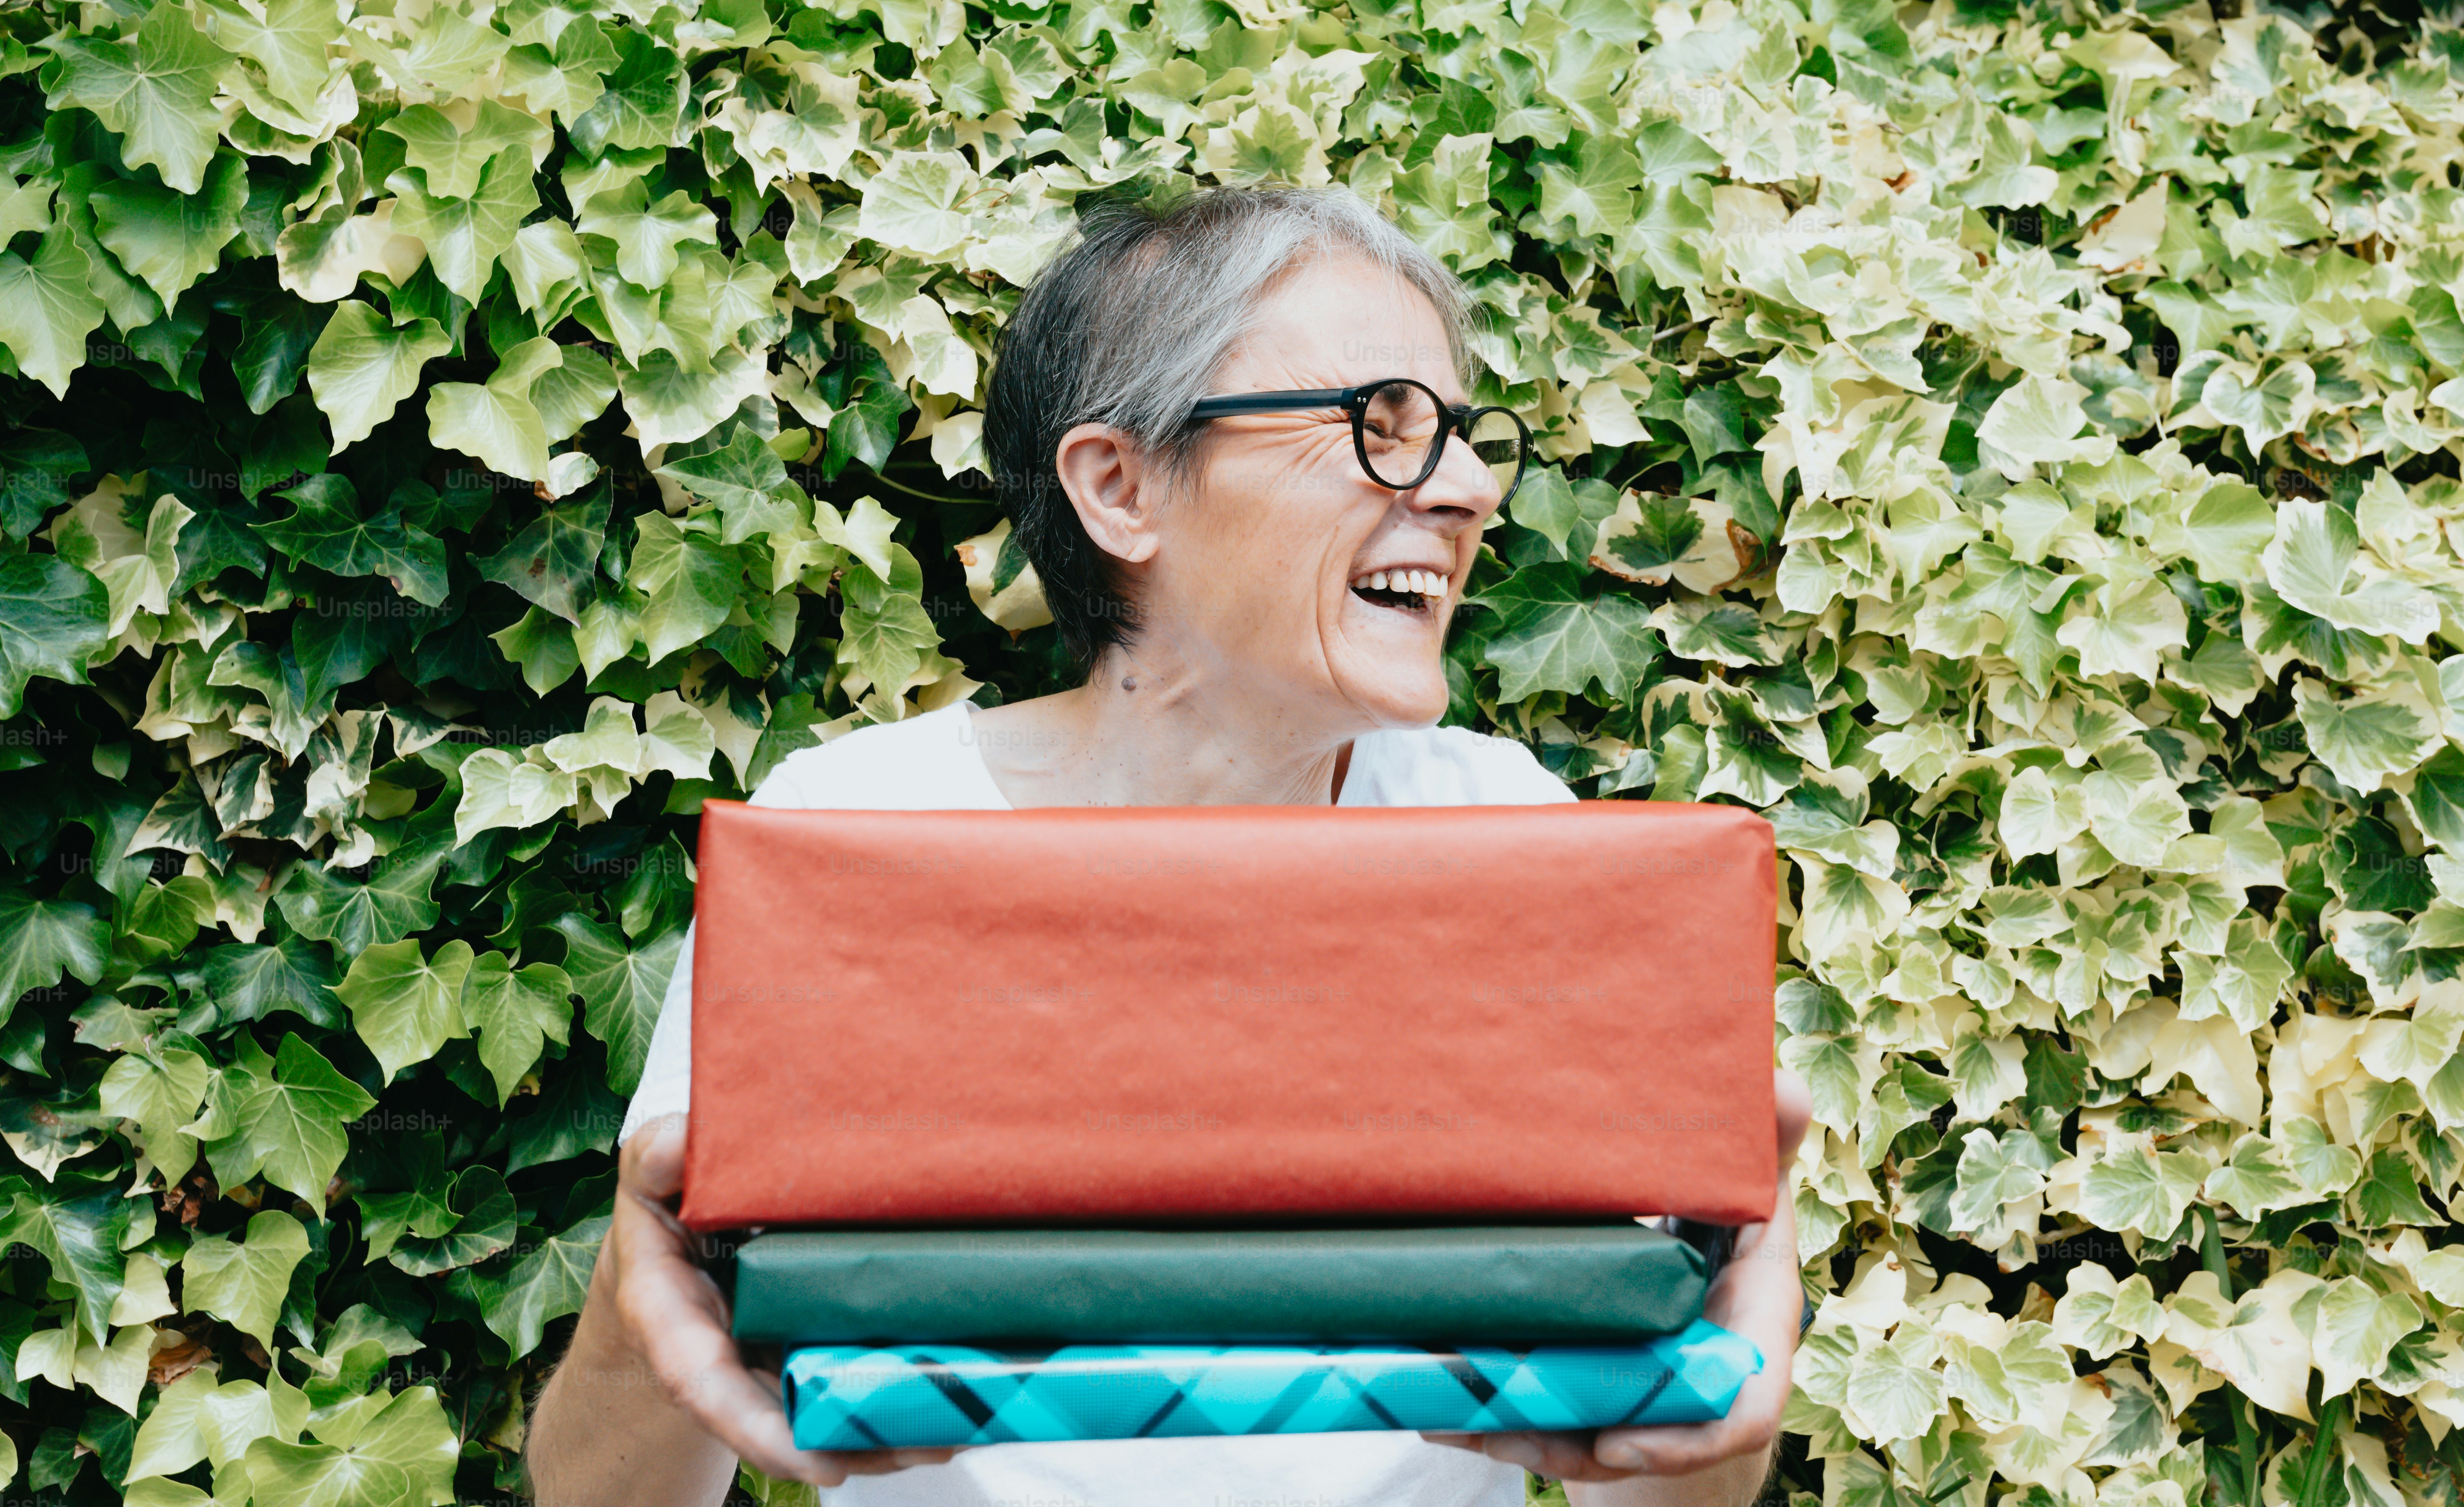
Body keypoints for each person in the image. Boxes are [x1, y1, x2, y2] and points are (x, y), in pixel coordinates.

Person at [525, 186, 1814, 1507]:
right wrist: (641, 1289)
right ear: (1122, 486)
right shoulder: (847, 841)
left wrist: (1715, 1329)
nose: (1473, 490)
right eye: (1382, 427)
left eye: (1467, 437)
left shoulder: (1518, 840)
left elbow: (1650, 1491)